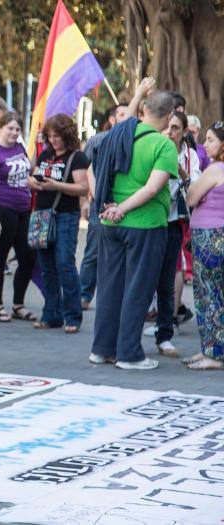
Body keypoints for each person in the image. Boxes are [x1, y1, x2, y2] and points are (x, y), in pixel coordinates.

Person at [89, 90, 178, 370]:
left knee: (109, 287)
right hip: (144, 224)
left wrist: (111, 206)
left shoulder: (120, 133)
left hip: (109, 222)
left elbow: (92, 166)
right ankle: (129, 354)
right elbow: (153, 188)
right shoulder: (164, 146)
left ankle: (102, 349)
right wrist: (124, 208)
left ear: (142, 110)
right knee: (137, 289)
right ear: (169, 115)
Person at [145, 111, 199, 357]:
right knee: (143, 278)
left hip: (173, 223)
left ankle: (164, 333)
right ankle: (130, 332)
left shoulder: (190, 157)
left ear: (184, 131)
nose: (170, 132)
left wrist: (180, 170)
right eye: (167, 127)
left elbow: (196, 190)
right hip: (148, 221)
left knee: (167, 280)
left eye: (176, 128)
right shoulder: (151, 149)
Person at [29, 114, 90, 333]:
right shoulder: (45, 154)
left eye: (57, 136)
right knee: (46, 267)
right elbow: (33, 175)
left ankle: (72, 315)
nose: (53, 140)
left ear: (67, 134)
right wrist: (33, 182)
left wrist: (56, 185)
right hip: (42, 215)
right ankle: (51, 313)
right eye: (50, 136)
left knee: (64, 263)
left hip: (65, 215)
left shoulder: (77, 157)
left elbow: (83, 188)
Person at [0, 112, 36, 323]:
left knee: (28, 258)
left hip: (24, 210)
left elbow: (28, 171)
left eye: (17, 129)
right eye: (10, 128)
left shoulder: (19, 147)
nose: (14, 132)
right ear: (0, 127)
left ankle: (18, 304)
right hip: (4, 210)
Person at [80, 103, 130, 309]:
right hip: (99, 205)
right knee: (93, 252)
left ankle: (115, 298)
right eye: (121, 114)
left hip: (126, 205)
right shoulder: (97, 140)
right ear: (112, 119)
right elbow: (84, 168)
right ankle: (83, 295)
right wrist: (84, 199)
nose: (126, 118)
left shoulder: (135, 142)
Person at [183, 121, 224, 370]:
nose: (205, 144)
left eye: (211, 140)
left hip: (209, 237)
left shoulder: (215, 168)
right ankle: (209, 348)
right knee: (214, 293)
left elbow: (190, 198)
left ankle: (214, 354)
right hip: (217, 235)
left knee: (208, 294)